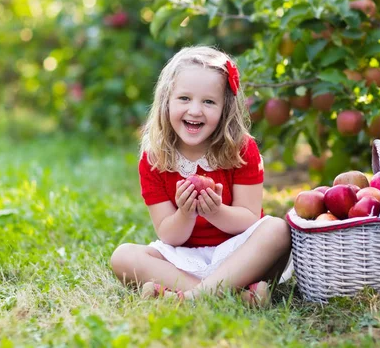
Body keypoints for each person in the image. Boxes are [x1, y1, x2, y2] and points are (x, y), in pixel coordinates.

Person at [110, 46, 291, 306]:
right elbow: (169, 236)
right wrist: (185, 213)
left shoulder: (241, 149)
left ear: (225, 108)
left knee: (277, 229)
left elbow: (249, 219)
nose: (195, 110)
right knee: (123, 257)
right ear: (166, 101)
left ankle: (192, 297)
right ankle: (231, 296)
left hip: (240, 256)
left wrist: (215, 212)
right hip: (184, 259)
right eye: (184, 98)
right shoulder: (154, 158)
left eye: (208, 102)